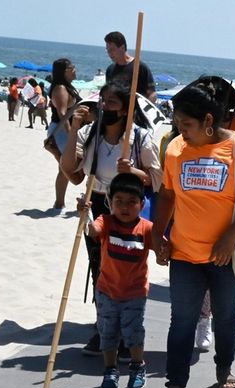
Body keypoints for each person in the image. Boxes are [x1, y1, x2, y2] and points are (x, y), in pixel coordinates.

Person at [148, 77, 235, 388]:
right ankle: (175, 387)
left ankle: (224, 365)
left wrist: (229, 238)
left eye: (186, 125)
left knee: (225, 317)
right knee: (182, 320)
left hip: (225, 257)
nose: (180, 131)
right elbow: (167, 194)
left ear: (208, 121)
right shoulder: (176, 149)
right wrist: (158, 234)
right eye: (176, 124)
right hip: (184, 252)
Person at [59, 81, 162, 359]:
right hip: (101, 204)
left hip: (130, 209)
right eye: (103, 102)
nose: (105, 107)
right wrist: (72, 132)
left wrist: (134, 172)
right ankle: (105, 328)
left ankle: (128, 335)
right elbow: (70, 169)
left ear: (127, 109)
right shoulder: (90, 133)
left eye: (113, 103)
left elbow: (157, 180)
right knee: (99, 266)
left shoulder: (139, 138)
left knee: (126, 267)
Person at [78, 172, 153, 388]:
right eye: (119, 201)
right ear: (110, 202)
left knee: (133, 333)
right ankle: (110, 370)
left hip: (135, 293)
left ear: (141, 204)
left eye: (132, 202)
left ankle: (137, 367)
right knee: (107, 333)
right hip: (106, 291)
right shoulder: (106, 222)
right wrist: (84, 215)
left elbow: (161, 249)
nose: (125, 207)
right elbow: (93, 231)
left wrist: (164, 250)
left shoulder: (146, 228)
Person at [48, 59, 82, 210]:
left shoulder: (67, 87)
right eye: (72, 67)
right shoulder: (60, 88)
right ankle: (59, 202)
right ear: (65, 71)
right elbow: (62, 113)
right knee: (66, 167)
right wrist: (71, 133)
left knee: (65, 167)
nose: (75, 69)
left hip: (65, 130)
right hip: (61, 130)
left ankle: (59, 202)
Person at [104, 31, 156, 102]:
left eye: (112, 50)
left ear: (122, 48)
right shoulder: (110, 70)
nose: (109, 53)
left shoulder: (139, 67)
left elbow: (152, 94)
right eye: (108, 50)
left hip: (134, 111)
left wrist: (142, 111)